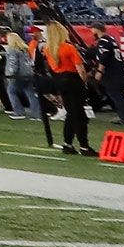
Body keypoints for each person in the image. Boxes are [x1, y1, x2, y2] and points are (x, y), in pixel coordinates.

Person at [44, 20, 90, 154]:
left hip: (60, 81)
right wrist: (85, 81)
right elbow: (80, 69)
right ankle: (84, 146)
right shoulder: (68, 47)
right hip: (73, 80)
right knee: (78, 114)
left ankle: (68, 143)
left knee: (72, 113)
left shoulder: (48, 49)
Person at [93, 30, 124, 127]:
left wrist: (99, 71)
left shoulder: (104, 42)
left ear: (96, 30)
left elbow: (104, 58)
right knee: (122, 95)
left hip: (112, 74)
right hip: (121, 71)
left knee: (116, 96)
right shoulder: (112, 40)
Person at [3, 26, 39, 121]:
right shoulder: (24, 49)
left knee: (11, 91)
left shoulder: (12, 50)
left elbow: (13, 63)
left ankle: (19, 112)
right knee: (30, 93)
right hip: (28, 73)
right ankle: (37, 114)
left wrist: (10, 74)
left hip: (18, 75)